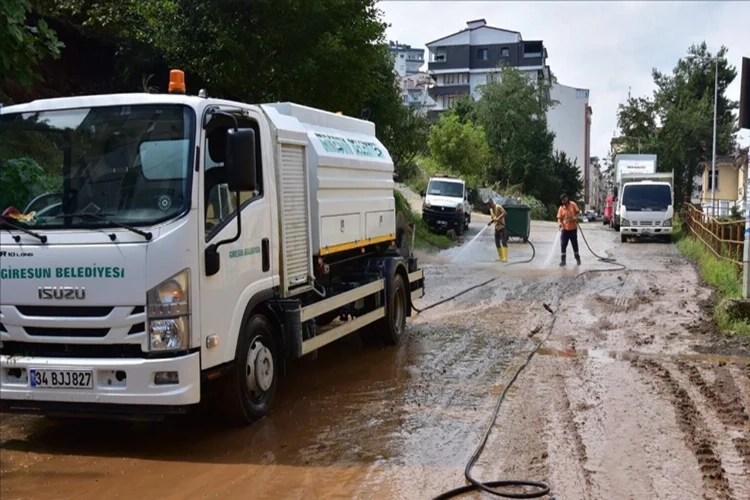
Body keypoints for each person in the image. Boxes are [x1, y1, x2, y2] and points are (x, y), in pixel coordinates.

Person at [557, 193, 581, 266]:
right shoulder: (561, 208)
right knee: (563, 245)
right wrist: (560, 223)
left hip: (573, 229)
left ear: (567, 198)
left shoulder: (573, 204)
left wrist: (575, 217)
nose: (563, 201)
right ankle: (563, 261)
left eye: (564, 199)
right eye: (562, 200)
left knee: (575, 245)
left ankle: (577, 258)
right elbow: (559, 218)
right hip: (565, 230)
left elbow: (578, 212)